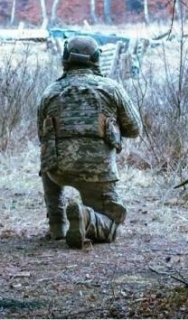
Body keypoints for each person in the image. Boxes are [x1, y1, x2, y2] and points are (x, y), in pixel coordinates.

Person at [37, 36, 142, 249]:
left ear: (66, 59)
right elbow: (134, 129)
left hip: (58, 171)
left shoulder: (50, 92)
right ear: (96, 60)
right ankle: (86, 218)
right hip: (98, 172)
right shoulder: (111, 88)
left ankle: (57, 224)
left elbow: (42, 135)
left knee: (48, 156)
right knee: (110, 226)